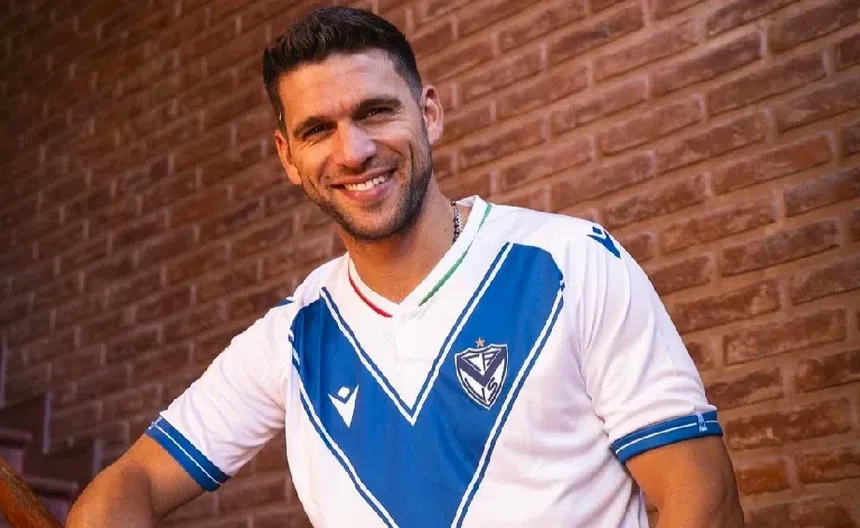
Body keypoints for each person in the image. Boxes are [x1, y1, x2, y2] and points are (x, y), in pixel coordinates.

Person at [67, 6, 743, 527]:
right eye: (317, 130)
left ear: (429, 113)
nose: (353, 151)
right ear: (287, 157)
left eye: (375, 111)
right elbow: (132, 483)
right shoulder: (292, 339)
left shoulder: (569, 262)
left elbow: (702, 500)